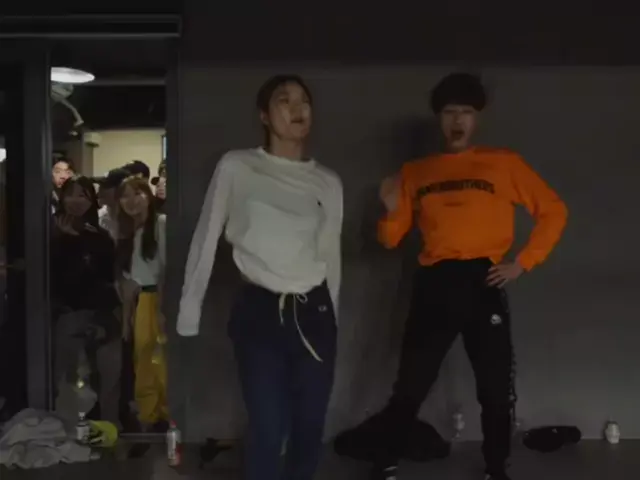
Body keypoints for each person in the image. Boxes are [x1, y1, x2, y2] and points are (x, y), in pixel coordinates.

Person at [371, 73, 568, 480]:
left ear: (477, 119)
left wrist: (523, 262)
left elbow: (554, 211)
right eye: (449, 112)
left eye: (466, 112)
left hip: (483, 280)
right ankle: (385, 463)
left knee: (495, 388)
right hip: (435, 283)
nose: (457, 120)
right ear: (439, 118)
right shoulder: (416, 171)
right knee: (411, 384)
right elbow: (390, 239)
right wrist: (390, 209)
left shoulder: (503, 163)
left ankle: (495, 468)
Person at [177, 75, 343, 480]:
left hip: (314, 311)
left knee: (309, 428)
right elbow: (206, 234)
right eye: (284, 100)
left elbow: (331, 256)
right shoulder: (237, 166)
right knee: (268, 428)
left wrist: (333, 316)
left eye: (304, 100)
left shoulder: (328, 181)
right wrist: (189, 310)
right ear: (264, 116)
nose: (297, 108)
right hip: (259, 311)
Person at [51, 176, 122, 426]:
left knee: (108, 375)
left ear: (92, 201)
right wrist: (68, 240)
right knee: (70, 377)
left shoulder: (100, 236)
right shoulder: (50, 234)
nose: (76, 201)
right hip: (69, 313)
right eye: (71, 194)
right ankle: (70, 427)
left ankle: (108, 426)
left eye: (83, 195)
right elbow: (59, 278)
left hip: (101, 313)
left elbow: (106, 275)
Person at [115, 176, 168, 432]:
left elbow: (167, 270)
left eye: (137, 193)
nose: (131, 201)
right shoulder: (127, 233)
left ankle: (168, 415)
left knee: (162, 361)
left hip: (159, 298)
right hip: (141, 302)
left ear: (149, 195)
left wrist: (163, 310)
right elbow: (128, 283)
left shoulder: (160, 224)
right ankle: (150, 417)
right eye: (125, 196)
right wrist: (126, 320)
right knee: (143, 361)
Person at [95, 167, 131, 239]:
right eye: (101, 185)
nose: (100, 190)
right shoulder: (98, 219)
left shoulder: (135, 218)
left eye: (106, 186)